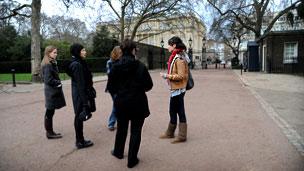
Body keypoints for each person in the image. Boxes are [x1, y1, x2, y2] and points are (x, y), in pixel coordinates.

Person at [106, 39, 153, 168]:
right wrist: (137, 89)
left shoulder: (115, 66)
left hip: (121, 102)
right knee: (136, 131)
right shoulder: (140, 66)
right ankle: (132, 159)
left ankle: (118, 152)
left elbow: (111, 87)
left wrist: (121, 93)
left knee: (121, 128)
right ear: (133, 50)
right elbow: (149, 85)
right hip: (138, 102)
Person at [159, 36, 189, 144]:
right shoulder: (176, 56)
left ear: (174, 45)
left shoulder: (179, 58)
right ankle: (172, 133)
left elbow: (181, 76)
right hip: (176, 88)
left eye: (169, 45)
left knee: (177, 111)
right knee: (175, 110)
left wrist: (167, 76)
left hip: (178, 89)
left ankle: (179, 135)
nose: (168, 47)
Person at [66, 43, 96, 149]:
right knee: (79, 116)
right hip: (79, 94)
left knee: (79, 116)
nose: (85, 52)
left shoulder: (79, 62)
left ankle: (80, 140)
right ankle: (80, 141)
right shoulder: (77, 64)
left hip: (79, 93)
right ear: (77, 52)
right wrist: (85, 102)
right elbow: (80, 84)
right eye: (82, 50)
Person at [41, 45, 66, 139]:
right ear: (48, 53)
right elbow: (48, 79)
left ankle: (50, 132)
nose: (56, 54)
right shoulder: (48, 64)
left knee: (50, 111)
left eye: (56, 52)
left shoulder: (50, 63)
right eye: (54, 52)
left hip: (51, 91)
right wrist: (58, 83)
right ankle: (49, 133)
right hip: (51, 92)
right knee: (49, 112)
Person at [105, 46, 122, 131]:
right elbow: (109, 74)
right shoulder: (110, 62)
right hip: (113, 87)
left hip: (121, 87)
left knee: (119, 104)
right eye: (119, 52)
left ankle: (120, 120)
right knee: (117, 104)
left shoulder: (122, 61)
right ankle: (111, 123)